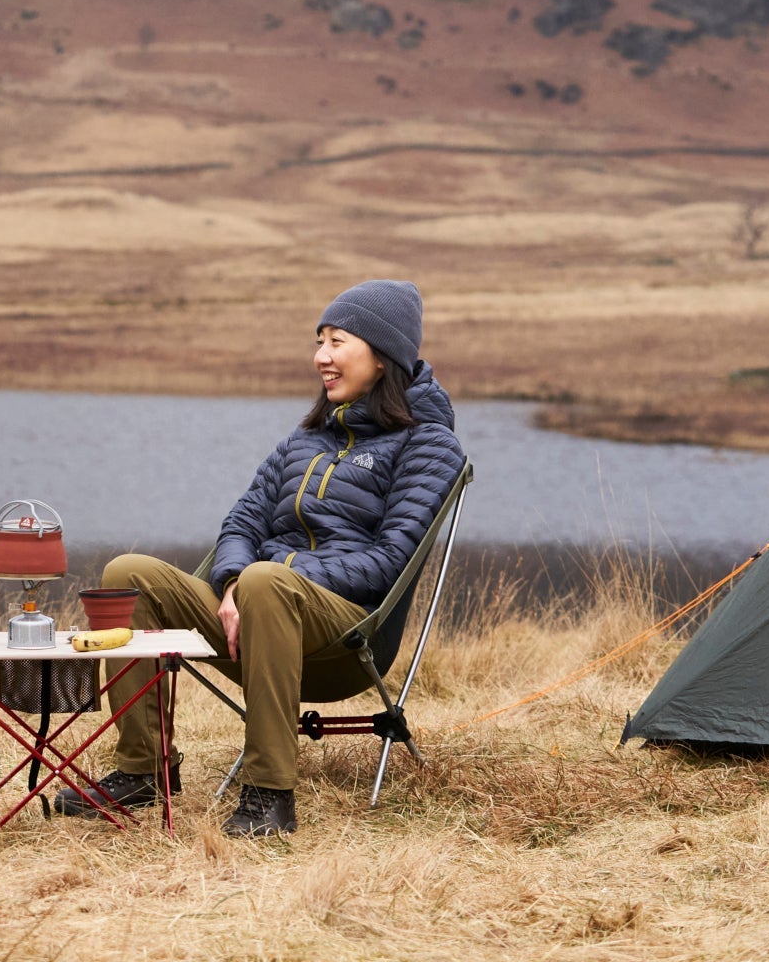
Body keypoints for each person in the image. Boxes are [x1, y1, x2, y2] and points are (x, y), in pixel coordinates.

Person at [57, 279, 465, 837]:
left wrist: (266, 579)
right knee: (129, 575)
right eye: (319, 341)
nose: (321, 357)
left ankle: (269, 794)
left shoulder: (429, 444)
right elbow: (243, 523)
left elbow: (390, 562)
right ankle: (144, 770)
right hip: (249, 612)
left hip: (346, 635)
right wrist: (231, 583)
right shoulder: (305, 439)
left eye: (337, 341)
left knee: (268, 581)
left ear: (383, 354)